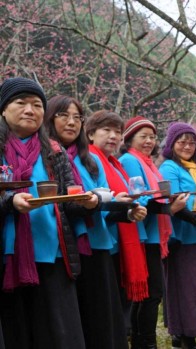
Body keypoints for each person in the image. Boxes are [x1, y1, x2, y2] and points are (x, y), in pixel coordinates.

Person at [0, 77, 99, 348]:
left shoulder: (54, 152)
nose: (30, 110)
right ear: (3, 109)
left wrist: (87, 202)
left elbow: (69, 198)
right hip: (9, 258)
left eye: (36, 105)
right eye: (21, 103)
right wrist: (10, 202)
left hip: (53, 254)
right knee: (16, 330)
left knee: (58, 331)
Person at [44, 95, 128, 349]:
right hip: (67, 244)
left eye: (77, 117)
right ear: (50, 119)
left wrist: (123, 210)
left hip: (97, 243)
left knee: (102, 314)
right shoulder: (48, 156)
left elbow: (103, 199)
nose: (72, 123)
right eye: (64, 116)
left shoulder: (88, 160)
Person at [119, 116, 188, 349]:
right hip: (141, 234)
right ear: (129, 138)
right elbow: (139, 198)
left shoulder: (148, 162)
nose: (149, 141)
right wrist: (170, 207)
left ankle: (143, 341)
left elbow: (156, 195)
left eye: (152, 137)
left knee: (150, 293)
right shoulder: (130, 160)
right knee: (151, 293)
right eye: (143, 136)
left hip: (152, 234)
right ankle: (146, 342)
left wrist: (170, 201)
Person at [85, 110, 149, 346]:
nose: (113, 136)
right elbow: (99, 200)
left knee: (120, 307)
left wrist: (131, 210)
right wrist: (122, 208)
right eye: (107, 130)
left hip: (118, 239)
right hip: (102, 243)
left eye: (118, 132)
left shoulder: (113, 163)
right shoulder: (90, 159)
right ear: (90, 134)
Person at [159, 122, 196, 349]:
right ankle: (185, 337)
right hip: (183, 236)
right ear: (172, 144)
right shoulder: (169, 168)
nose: (187, 146)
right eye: (181, 141)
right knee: (185, 287)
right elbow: (173, 201)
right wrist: (195, 218)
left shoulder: (192, 167)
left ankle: (187, 331)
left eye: (191, 142)